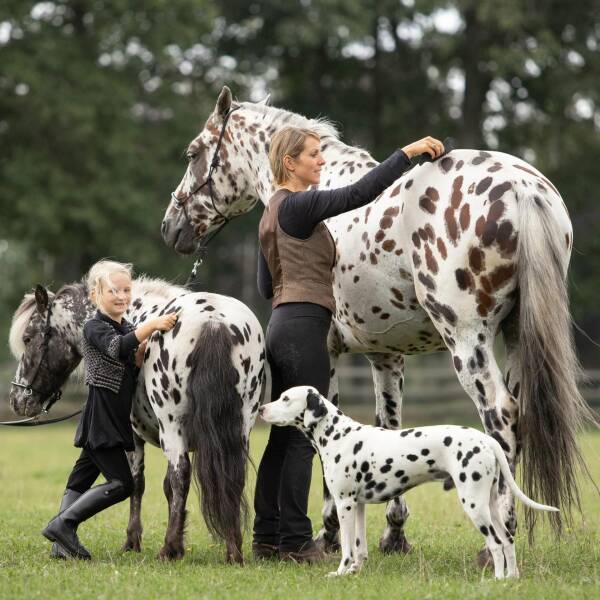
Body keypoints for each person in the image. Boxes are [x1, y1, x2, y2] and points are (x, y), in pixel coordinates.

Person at [253, 127, 445, 563]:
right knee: (304, 439)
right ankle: (298, 543)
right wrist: (408, 152)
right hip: (305, 327)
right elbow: (359, 193)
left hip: (280, 324)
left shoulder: (270, 214)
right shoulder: (300, 206)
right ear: (290, 164)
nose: (321, 162)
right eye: (314, 156)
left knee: (281, 439)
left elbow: (266, 286)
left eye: (322, 155)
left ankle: (266, 536)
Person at [42, 259, 178, 559]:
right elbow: (116, 348)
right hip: (103, 419)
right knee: (122, 483)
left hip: (109, 417)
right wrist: (152, 325)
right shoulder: (93, 326)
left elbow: (127, 360)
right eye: (113, 290)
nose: (121, 296)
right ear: (95, 295)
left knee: (80, 480)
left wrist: (140, 352)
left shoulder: (124, 325)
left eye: (126, 290)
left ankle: (59, 545)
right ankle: (63, 525)